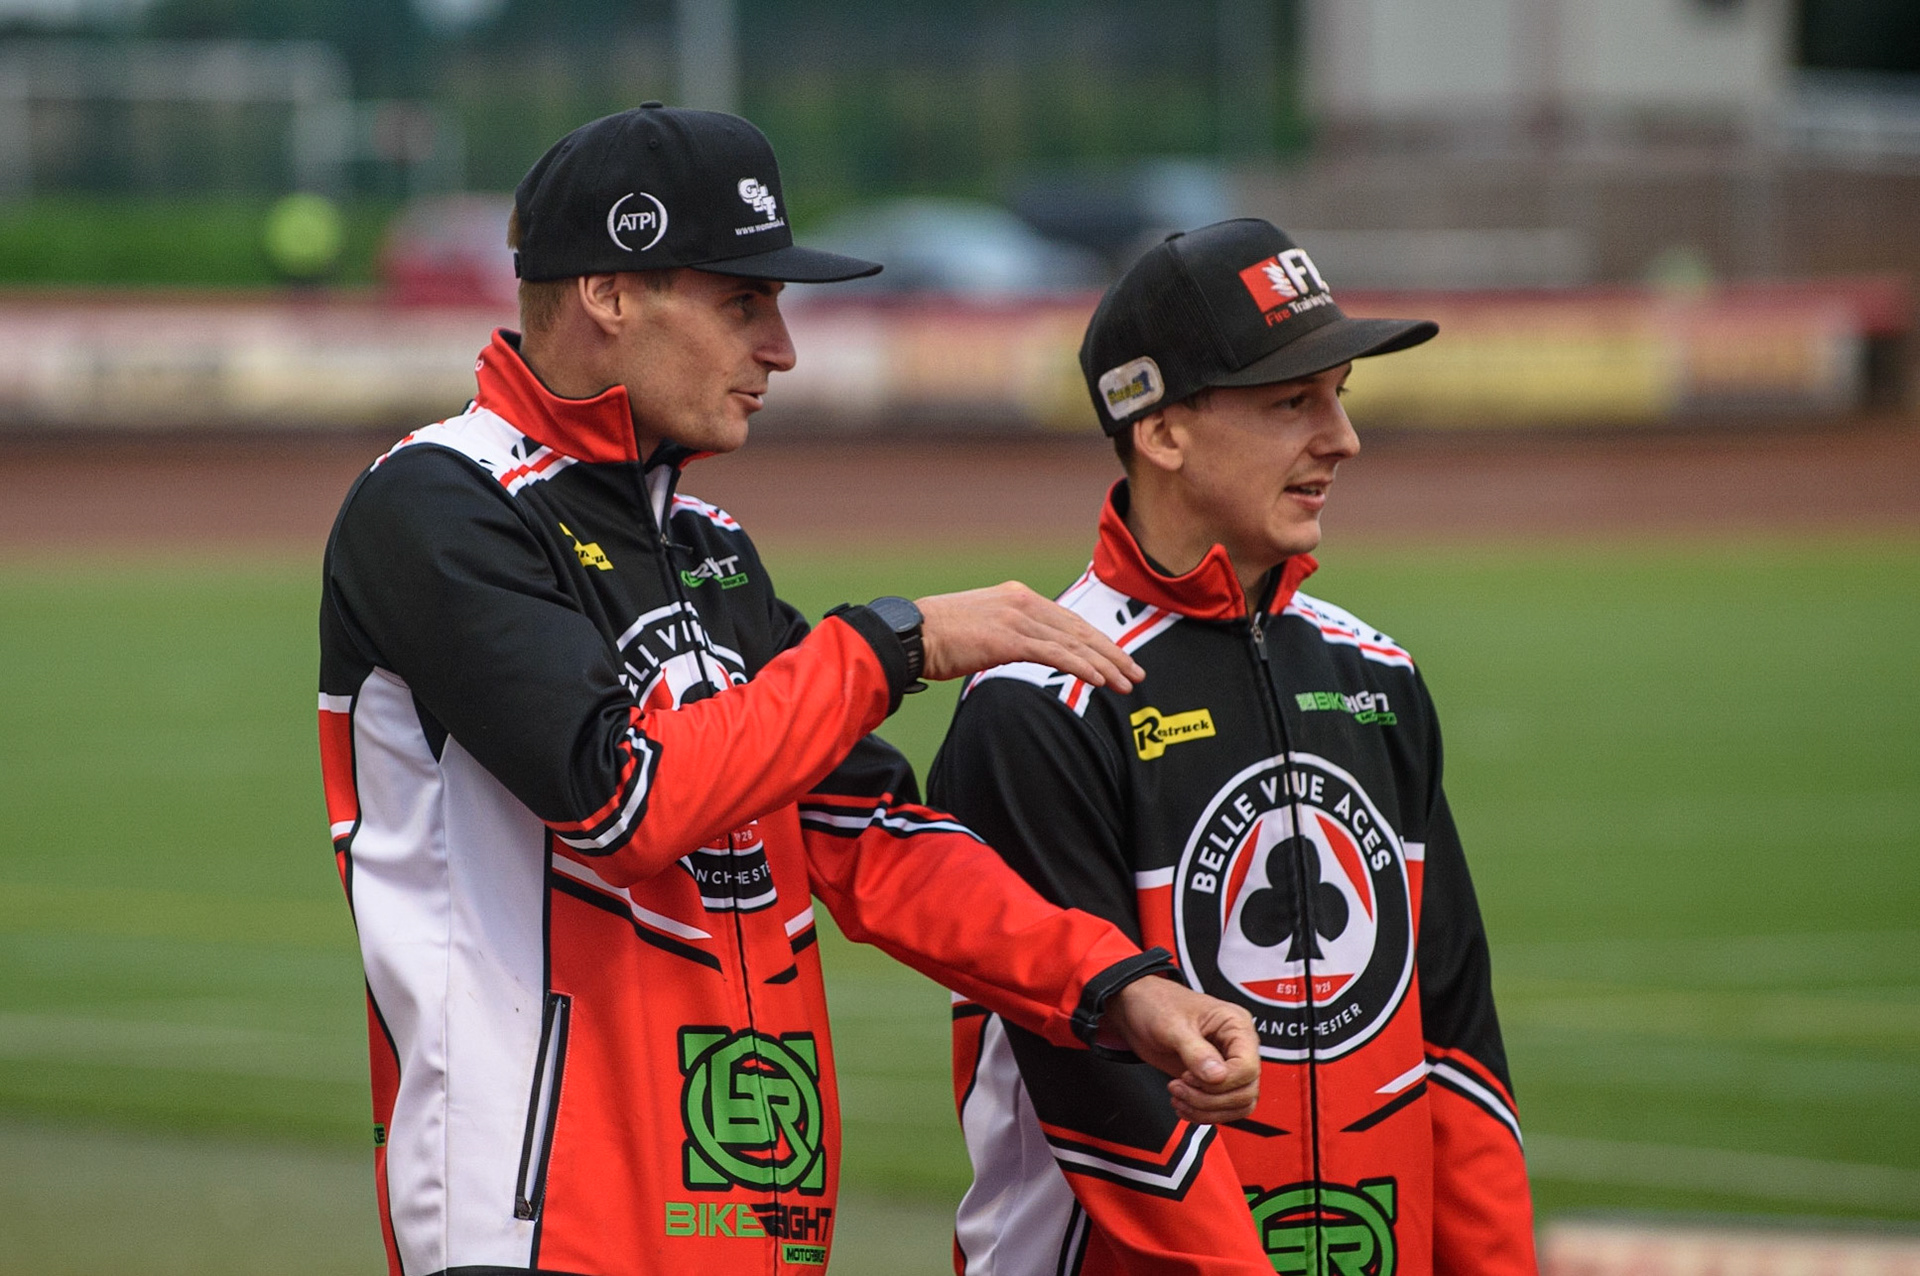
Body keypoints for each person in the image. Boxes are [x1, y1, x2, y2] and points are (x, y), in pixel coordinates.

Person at [315, 106, 1261, 1276]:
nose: (783, 348)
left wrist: (1115, 983)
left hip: (746, 1219)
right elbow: (623, 802)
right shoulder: (436, 503)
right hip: (531, 1223)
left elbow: (871, 835)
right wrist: (895, 645)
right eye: (742, 304)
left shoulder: (707, 544)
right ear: (612, 293)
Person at [929, 219, 1538, 1275]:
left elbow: (1458, 1048)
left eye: (1341, 395)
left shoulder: (1376, 677)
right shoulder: (1035, 705)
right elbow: (1110, 1107)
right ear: (1162, 431)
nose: (1342, 438)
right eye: (1293, 401)